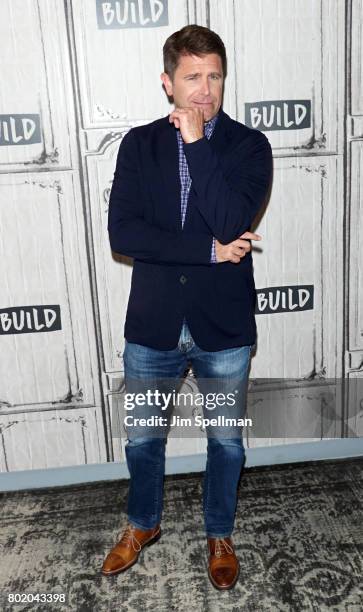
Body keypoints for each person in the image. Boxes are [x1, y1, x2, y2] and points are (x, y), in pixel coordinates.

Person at [102, 24, 272, 590]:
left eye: (215, 76)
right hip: (153, 324)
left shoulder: (249, 147)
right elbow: (124, 233)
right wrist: (209, 252)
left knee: (226, 440)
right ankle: (142, 525)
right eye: (192, 77)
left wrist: (198, 144)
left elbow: (230, 220)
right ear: (167, 82)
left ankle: (219, 532)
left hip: (222, 326)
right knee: (143, 437)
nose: (205, 90)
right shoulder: (139, 144)